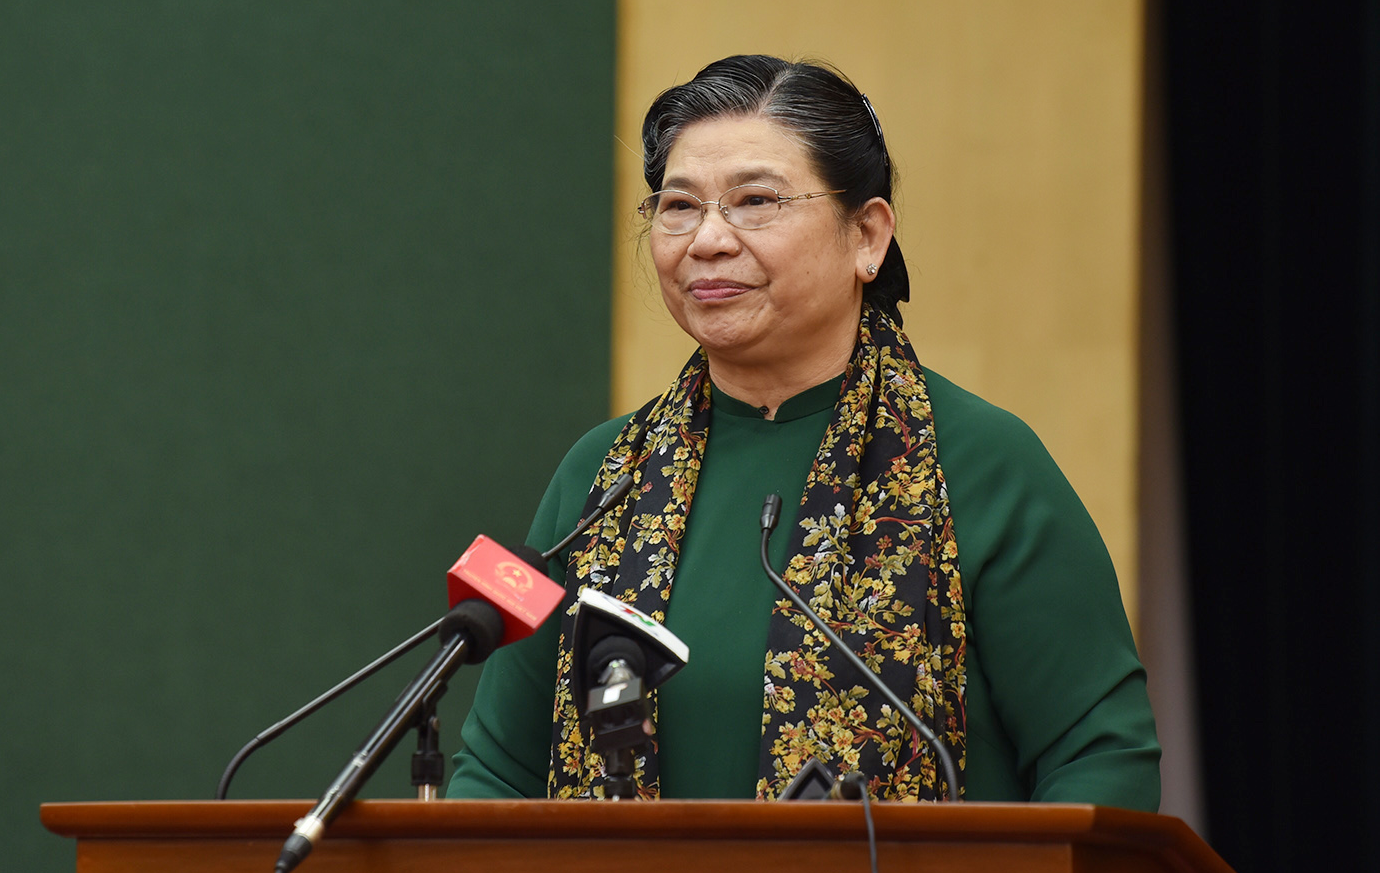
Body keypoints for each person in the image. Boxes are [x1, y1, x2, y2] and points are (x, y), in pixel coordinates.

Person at [447, 54, 1160, 808]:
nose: (706, 240)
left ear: (867, 236)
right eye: (678, 206)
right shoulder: (605, 473)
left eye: (755, 201)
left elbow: (1101, 757)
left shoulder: (979, 462)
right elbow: (496, 774)